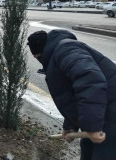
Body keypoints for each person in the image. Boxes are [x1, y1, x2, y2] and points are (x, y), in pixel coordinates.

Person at [27, 29, 116, 159]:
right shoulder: (58, 54)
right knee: (87, 151)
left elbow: (90, 81)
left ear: (38, 55)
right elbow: (70, 96)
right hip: (100, 113)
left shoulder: (66, 50)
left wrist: (93, 126)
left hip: (111, 115)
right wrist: (70, 126)